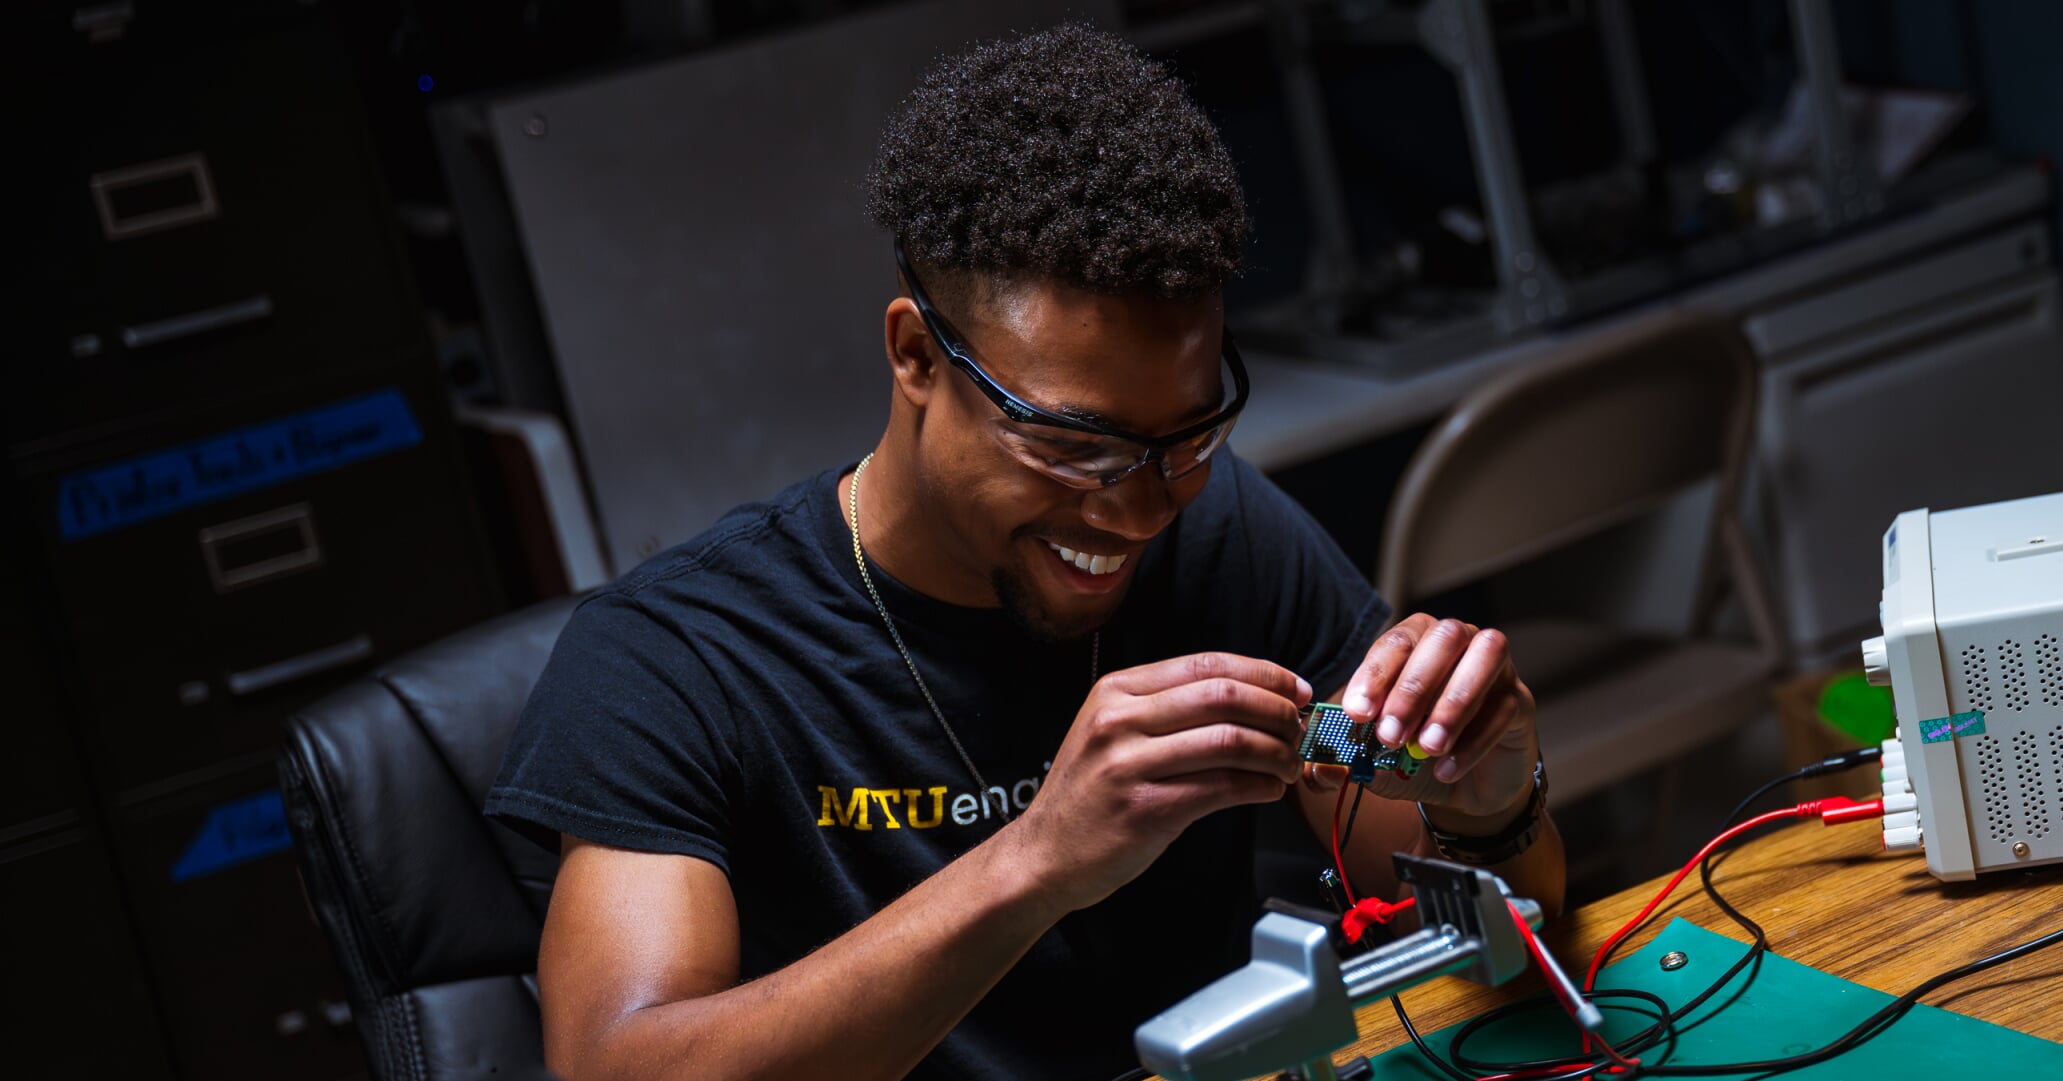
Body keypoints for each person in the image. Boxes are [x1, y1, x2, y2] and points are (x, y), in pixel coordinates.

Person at [486, 22, 1562, 1081]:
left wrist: (1488, 804)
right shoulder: (676, 659)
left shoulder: (1223, 535)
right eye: (1071, 446)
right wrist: (1036, 861)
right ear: (915, 354)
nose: (1139, 512)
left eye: (1182, 436)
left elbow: (1483, 928)